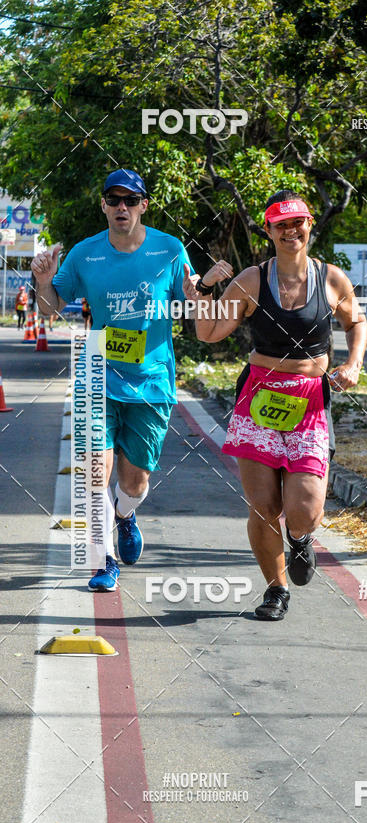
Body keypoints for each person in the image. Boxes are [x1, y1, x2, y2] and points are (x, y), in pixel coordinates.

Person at [184, 189, 367, 621]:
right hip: (258, 398)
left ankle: (300, 539)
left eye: (297, 222)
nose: (290, 231)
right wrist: (203, 291)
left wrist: (353, 364)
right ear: (268, 230)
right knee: (264, 507)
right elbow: (209, 333)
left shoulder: (332, 279)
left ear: (309, 225)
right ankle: (276, 589)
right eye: (281, 224)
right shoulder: (252, 280)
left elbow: (355, 322)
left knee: (305, 511)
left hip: (309, 400)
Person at [32, 168, 194, 591]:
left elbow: (193, 305)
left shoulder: (169, 249)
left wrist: (202, 292)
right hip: (98, 371)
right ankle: (103, 561)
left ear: (143, 206)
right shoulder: (85, 253)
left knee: (134, 482)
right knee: (93, 473)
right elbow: (52, 307)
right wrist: (44, 282)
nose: (122, 207)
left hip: (151, 380)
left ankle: (125, 513)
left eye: (131, 200)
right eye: (114, 199)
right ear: (103, 205)